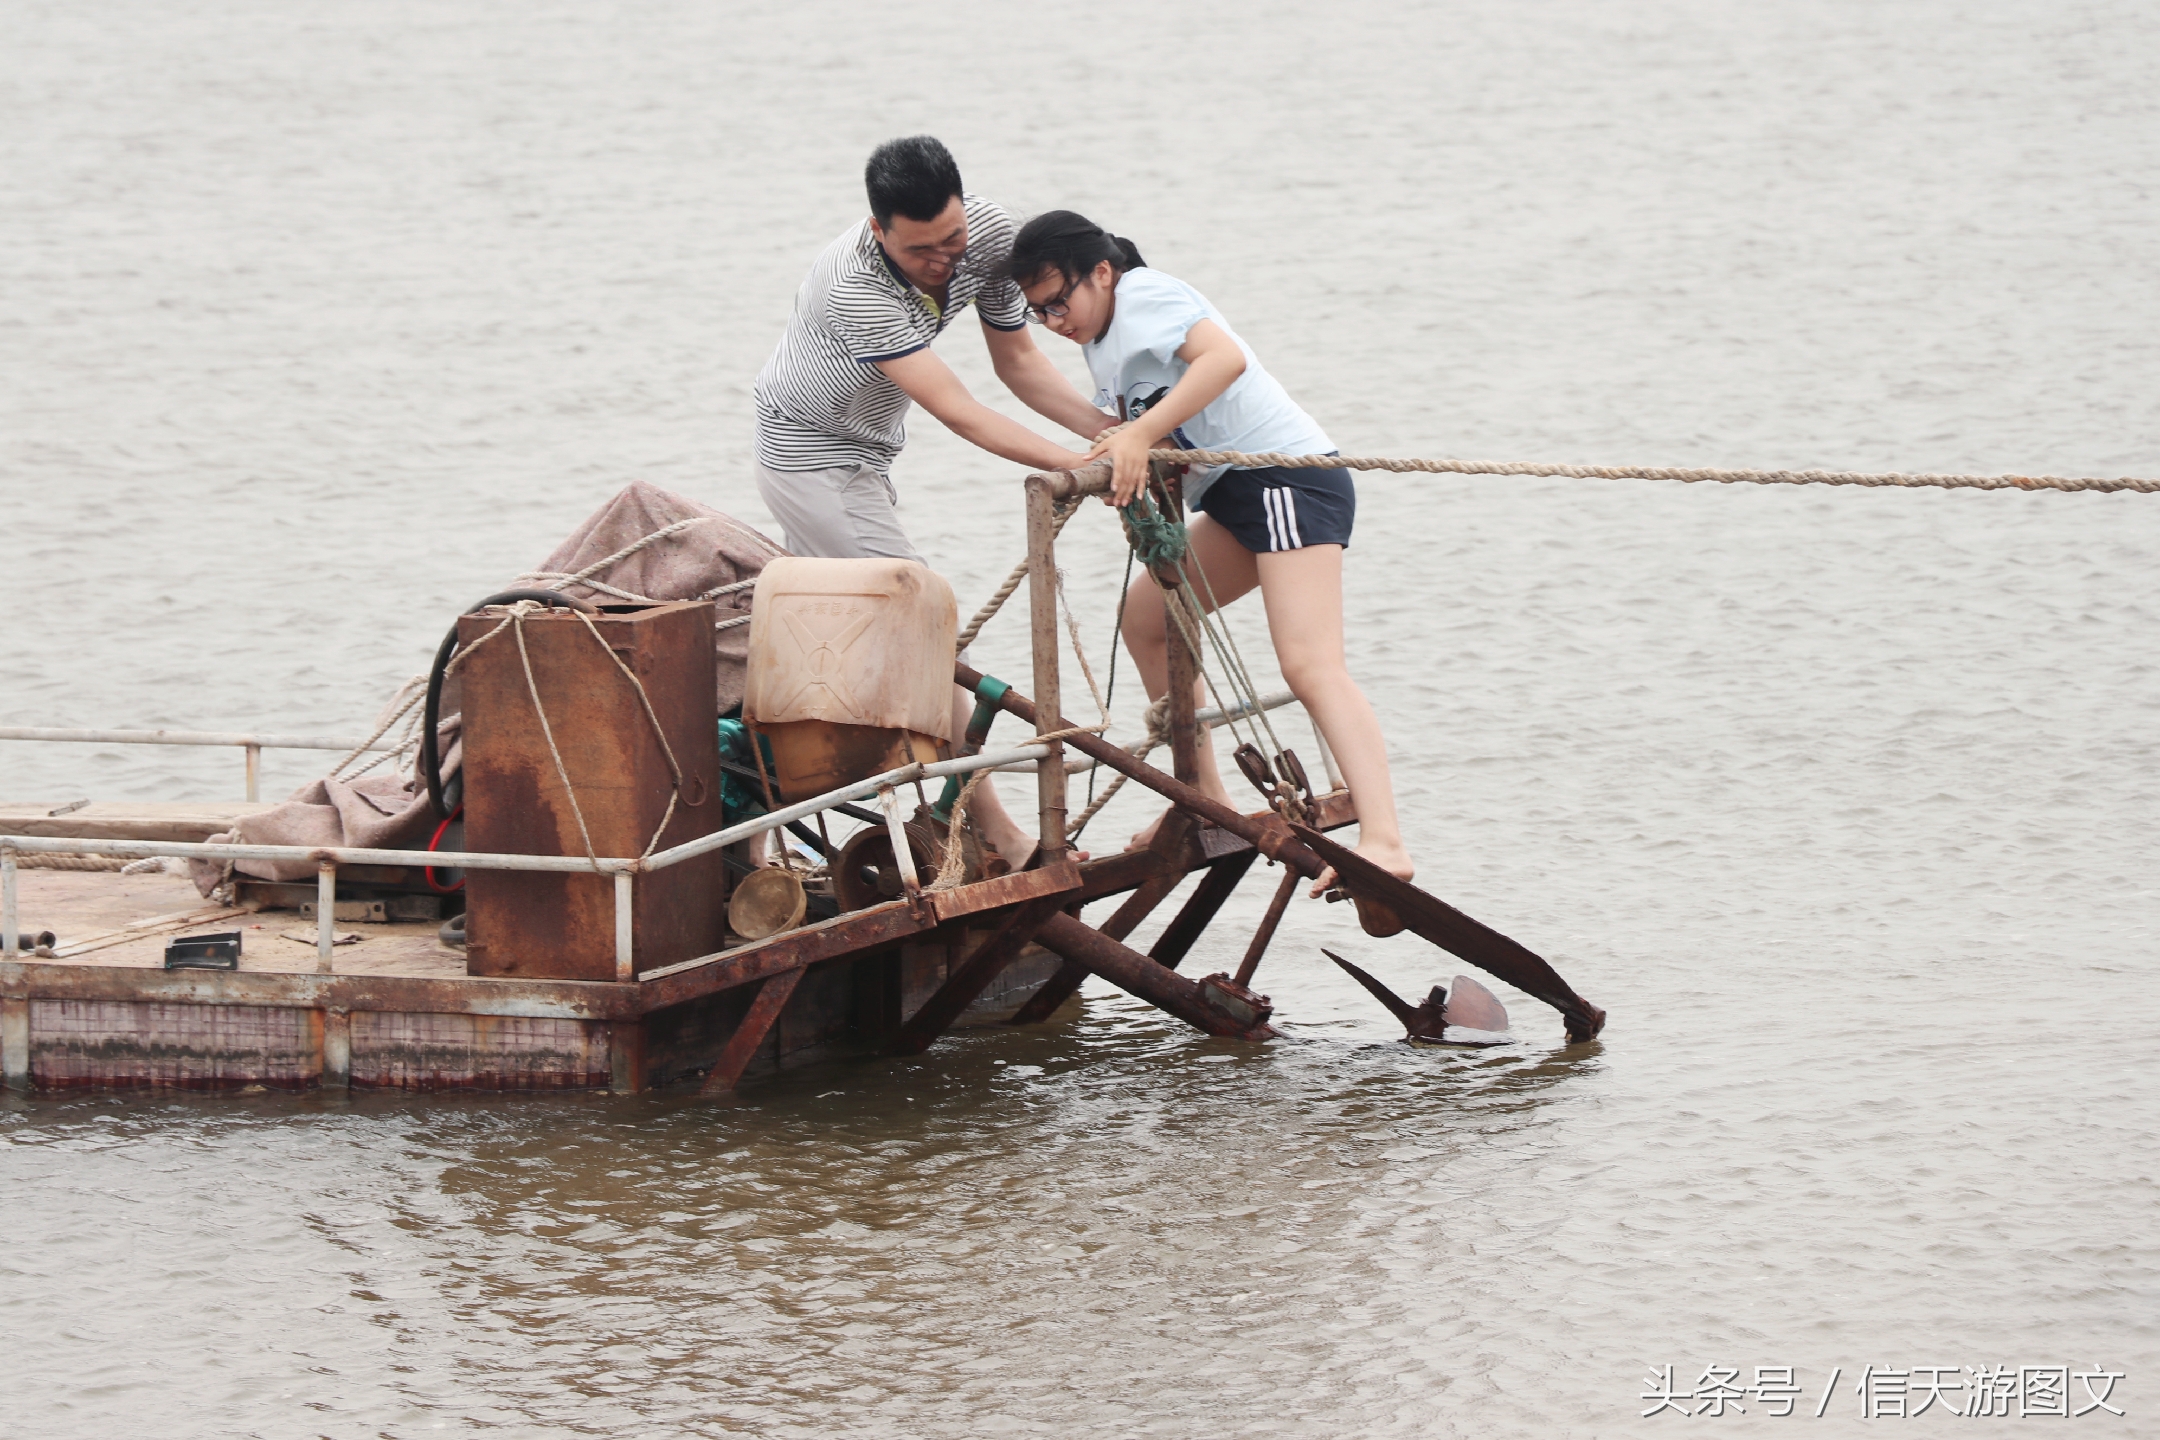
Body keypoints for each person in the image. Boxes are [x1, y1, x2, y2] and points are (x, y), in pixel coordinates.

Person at [1006, 210, 1414, 889]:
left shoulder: (1142, 294)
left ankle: (1386, 841)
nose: (1052, 322)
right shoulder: (1102, 339)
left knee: (1310, 664)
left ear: (1101, 273)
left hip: (1284, 481)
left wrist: (1139, 436)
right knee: (1147, 620)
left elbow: (1224, 359)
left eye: (1058, 302)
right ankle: (1206, 799)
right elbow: (1164, 420)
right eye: (1037, 312)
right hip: (1235, 498)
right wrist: (1137, 449)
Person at [751, 138, 1105, 864]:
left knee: (854, 644)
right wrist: (1078, 467)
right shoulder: (854, 287)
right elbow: (959, 410)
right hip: (811, 458)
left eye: (952, 240)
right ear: (878, 231)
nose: (943, 261)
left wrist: (1109, 434)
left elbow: (1018, 361)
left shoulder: (990, 235)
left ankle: (794, 824)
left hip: (869, 454)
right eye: (921, 252)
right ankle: (995, 833)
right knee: (927, 626)